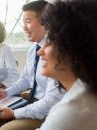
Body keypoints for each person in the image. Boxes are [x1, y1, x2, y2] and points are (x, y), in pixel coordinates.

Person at [0, 1, 64, 130]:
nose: (24, 28)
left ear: (47, 22)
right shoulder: (33, 50)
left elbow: (50, 102)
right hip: (33, 98)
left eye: (28, 21)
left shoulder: (57, 53)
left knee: (6, 129)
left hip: (50, 111)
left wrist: (15, 113)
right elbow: (25, 80)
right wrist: (6, 92)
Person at [37, 0, 97, 129]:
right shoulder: (87, 91)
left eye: (48, 42)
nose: (40, 51)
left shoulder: (72, 112)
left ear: (72, 46)